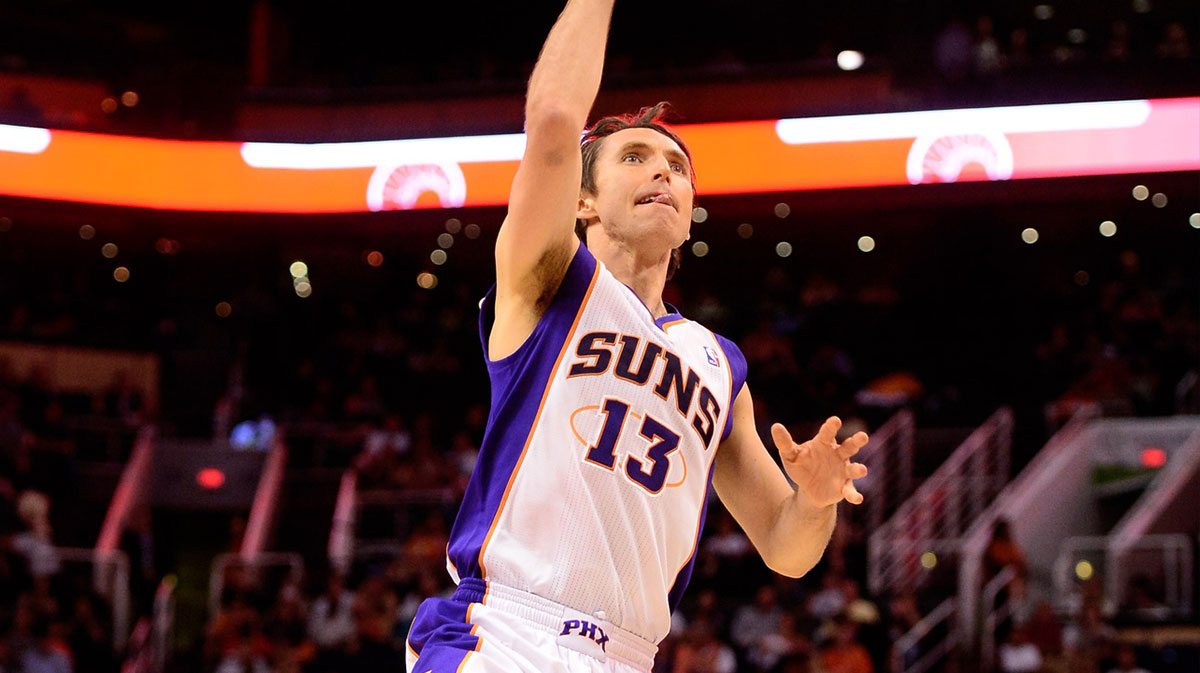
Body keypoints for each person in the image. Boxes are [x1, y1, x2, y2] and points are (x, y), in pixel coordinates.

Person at [404, 2, 870, 672]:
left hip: (630, 655)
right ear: (583, 200)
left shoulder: (719, 362)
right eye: (635, 156)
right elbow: (557, 124)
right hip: (504, 633)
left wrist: (816, 502)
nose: (665, 173)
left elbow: (785, 547)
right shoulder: (551, 278)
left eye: (678, 167)